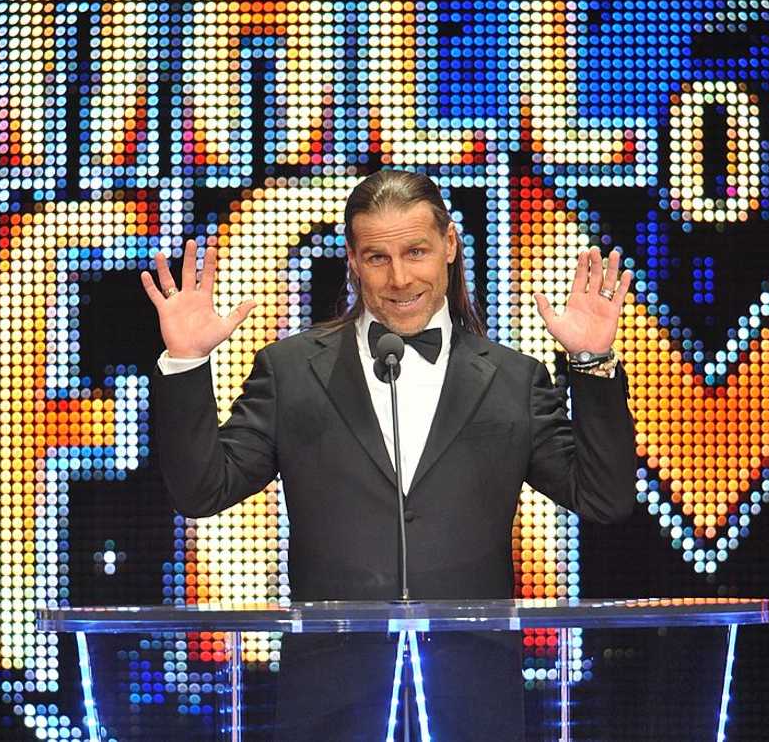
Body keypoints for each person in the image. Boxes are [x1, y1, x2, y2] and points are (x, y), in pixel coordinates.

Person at [141, 169, 636, 740]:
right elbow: (202, 490)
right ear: (352, 260)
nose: (400, 278)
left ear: (449, 246)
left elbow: (603, 496)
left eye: (416, 251)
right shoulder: (293, 371)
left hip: (471, 696)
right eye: (377, 257)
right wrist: (185, 364)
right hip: (331, 699)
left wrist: (593, 366)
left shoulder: (512, 380)